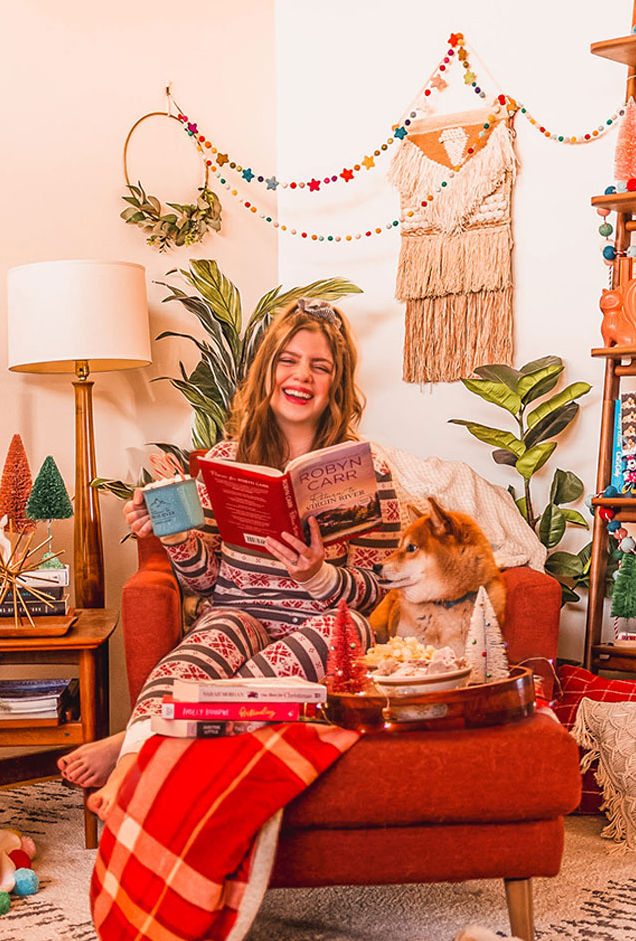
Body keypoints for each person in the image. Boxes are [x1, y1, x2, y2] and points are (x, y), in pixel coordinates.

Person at [58, 297, 401, 816]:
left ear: (337, 382)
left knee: (346, 628)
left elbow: (378, 586)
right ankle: (132, 760)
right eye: (288, 360)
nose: (301, 375)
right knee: (213, 635)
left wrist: (317, 574)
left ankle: (143, 742)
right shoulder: (223, 461)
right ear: (267, 372)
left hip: (324, 624)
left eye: (320, 365)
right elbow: (206, 579)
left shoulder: (367, 469)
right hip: (239, 613)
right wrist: (172, 533)